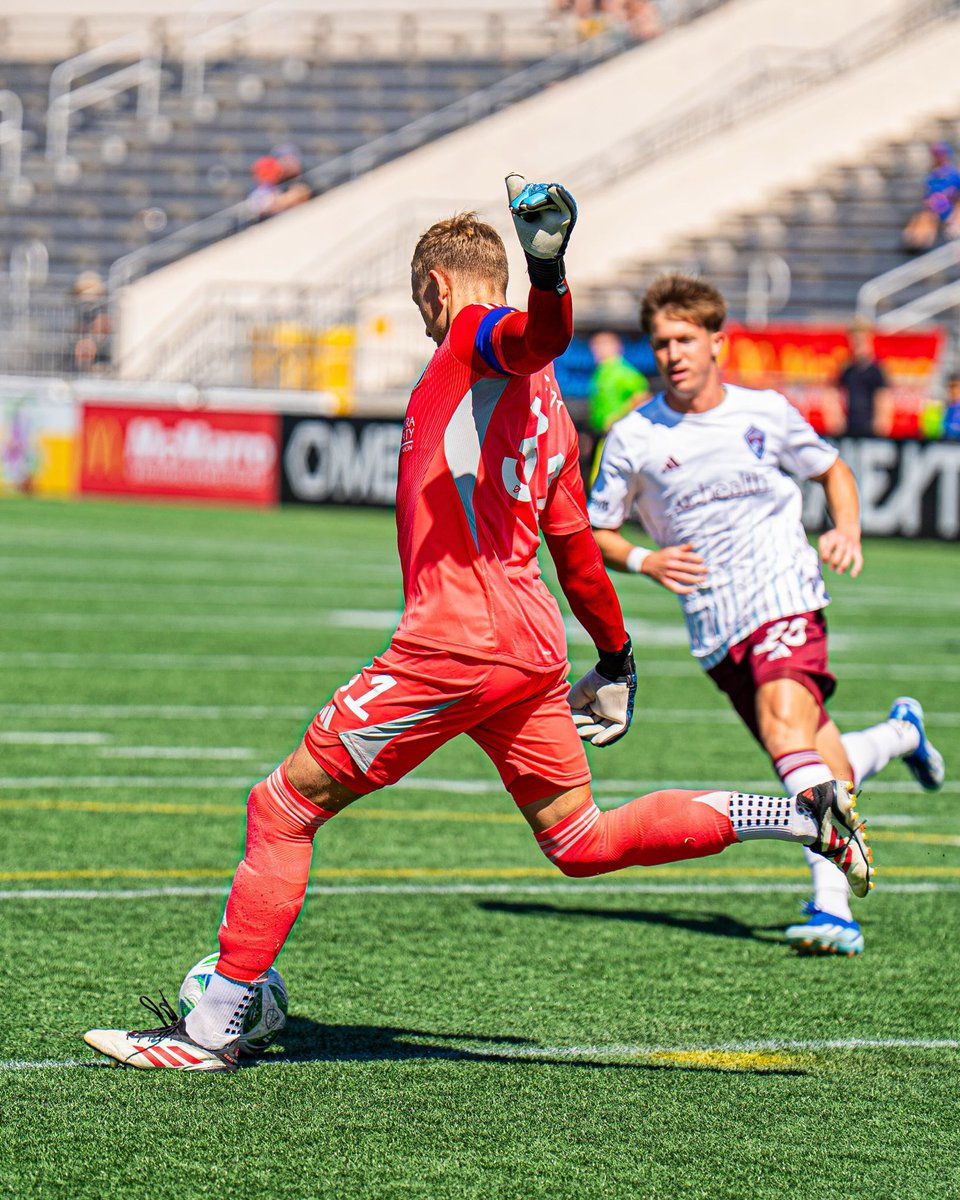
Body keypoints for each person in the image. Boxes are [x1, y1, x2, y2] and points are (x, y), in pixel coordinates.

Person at [83, 183, 873, 1072]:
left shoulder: (472, 335)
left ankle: (211, 1027)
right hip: (531, 647)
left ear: (434, 287)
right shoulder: (552, 417)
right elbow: (574, 549)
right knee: (580, 840)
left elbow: (538, 333)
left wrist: (547, 266)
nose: (424, 318)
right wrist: (614, 659)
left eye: (423, 301)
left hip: (454, 641)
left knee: (285, 805)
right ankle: (797, 815)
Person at [588, 273, 943, 957]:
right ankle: (901, 736)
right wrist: (644, 562)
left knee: (787, 732)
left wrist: (847, 530)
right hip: (716, 626)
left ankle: (831, 905)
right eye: (661, 343)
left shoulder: (766, 412)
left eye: (686, 339)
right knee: (813, 753)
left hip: (786, 596)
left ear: (718, 341)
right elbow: (595, 528)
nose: (673, 354)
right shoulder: (633, 435)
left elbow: (833, 471)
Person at [836, 318, 893, 438]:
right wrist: (837, 417)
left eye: (860, 340)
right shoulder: (847, 370)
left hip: (871, 429)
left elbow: (883, 396)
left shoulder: (876, 370)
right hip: (850, 428)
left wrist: (882, 420)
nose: (856, 344)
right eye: (854, 340)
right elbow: (838, 394)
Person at [902, 142, 960, 253]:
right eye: (936, 154)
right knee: (921, 221)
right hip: (933, 211)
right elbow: (927, 196)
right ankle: (917, 245)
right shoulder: (931, 175)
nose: (938, 157)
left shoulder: (954, 174)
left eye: (940, 154)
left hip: (949, 210)